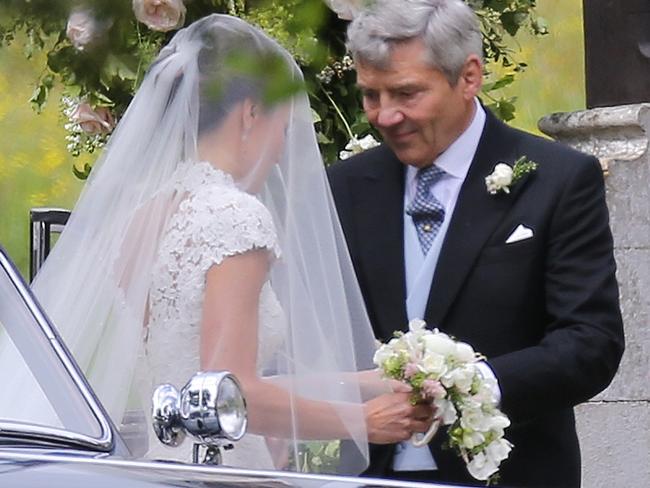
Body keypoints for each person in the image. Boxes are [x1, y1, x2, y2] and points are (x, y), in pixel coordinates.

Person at [27, 14, 433, 474]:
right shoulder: (233, 216)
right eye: (284, 128)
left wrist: (370, 382)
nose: (281, 149)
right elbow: (229, 390)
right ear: (251, 113)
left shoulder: (147, 214)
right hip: (224, 469)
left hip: (162, 463)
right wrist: (363, 421)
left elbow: (203, 370)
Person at [328, 1, 625, 486]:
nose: (385, 116)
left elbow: (590, 344)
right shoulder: (345, 186)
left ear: (468, 77)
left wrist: (466, 386)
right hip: (370, 475)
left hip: (510, 474)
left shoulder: (557, 180)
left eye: (405, 93)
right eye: (370, 96)